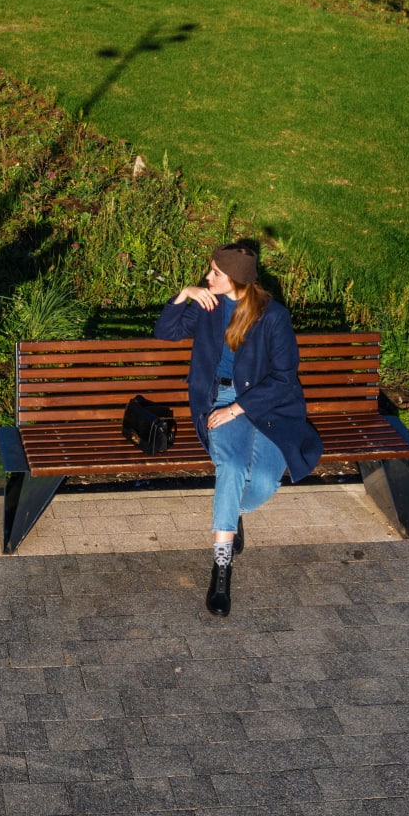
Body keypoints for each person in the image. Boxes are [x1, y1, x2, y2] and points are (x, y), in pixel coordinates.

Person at [154, 243, 323, 617]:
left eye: (215, 272)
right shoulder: (207, 304)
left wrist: (237, 409)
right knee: (231, 469)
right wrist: (184, 295)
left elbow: (284, 377)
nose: (207, 277)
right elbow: (165, 333)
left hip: (266, 407)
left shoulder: (272, 317)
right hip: (218, 399)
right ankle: (221, 565)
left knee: (265, 481)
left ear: (237, 281)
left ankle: (228, 516)